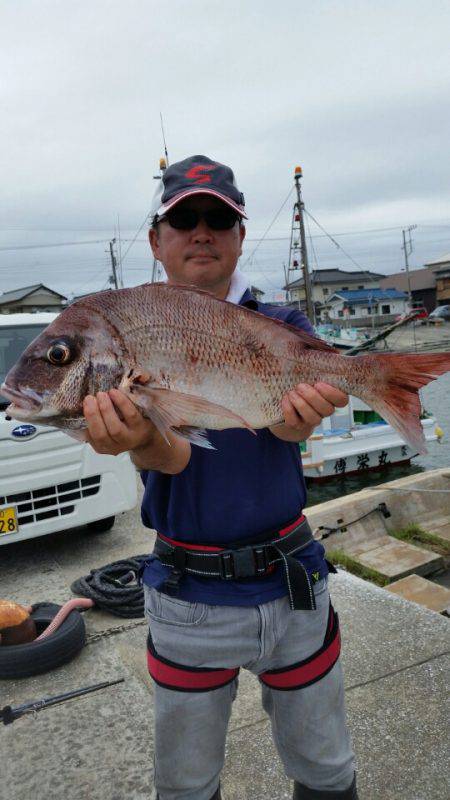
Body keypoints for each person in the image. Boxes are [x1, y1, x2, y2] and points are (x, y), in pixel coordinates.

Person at [83, 155, 358, 800]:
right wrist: (141, 439)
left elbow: (291, 431)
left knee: (327, 770)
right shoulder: (130, 328)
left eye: (218, 219)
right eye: (184, 218)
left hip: (294, 585)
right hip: (188, 598)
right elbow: (170, 458)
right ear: (157, 240)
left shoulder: (284, 326)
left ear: (239, 236)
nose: (200, 231)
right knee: (185, 784)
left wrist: (298, 421)